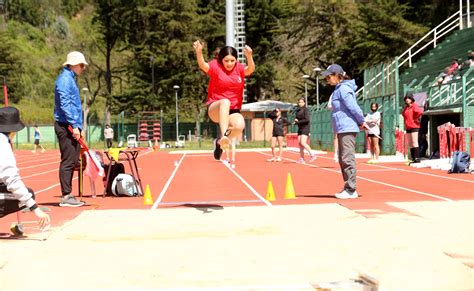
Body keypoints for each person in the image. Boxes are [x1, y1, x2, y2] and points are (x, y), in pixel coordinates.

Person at [193, 40, 255, 163]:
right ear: (221, 60)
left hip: (233, 110)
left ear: (236, 60)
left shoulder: (239, 68)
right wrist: (199, 52)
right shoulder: (216, 66)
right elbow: (203, 65)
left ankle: (220, 141)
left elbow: (250, 70)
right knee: (225, 102)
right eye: (226, 60)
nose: (229, 63)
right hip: (216, 107)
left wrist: (249, 56)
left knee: (239, 125)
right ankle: (224, 136)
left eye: (232, 60)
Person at [0, 107, 50, 231]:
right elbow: (12, 180)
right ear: (13, 130)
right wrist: (35, 209)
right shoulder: (2, 144)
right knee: (29, 194)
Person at [323, 64, 366, 199]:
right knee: (343, 159)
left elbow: (353, 107)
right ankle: (348, 187)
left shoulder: (343, 89)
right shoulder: (338, 89)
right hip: (342, 128)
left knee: (347, 158)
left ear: (337, 75)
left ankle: (351, 189)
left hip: (347, 127)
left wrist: (361, 120)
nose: (327, 80)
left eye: (328, 77)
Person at [54, 51, 88, 207]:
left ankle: (68, 195)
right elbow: (65, 104)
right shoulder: (65, 80)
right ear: (74, 64)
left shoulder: (70, 79)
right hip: (65, 124)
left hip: (71, 124)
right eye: (81, 65)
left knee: (73, 159)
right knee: (68, 160)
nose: (83, 68)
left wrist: (78, 126)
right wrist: (74, 125)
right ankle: (66, 196)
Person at [401, 93, 424, 164]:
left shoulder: (414, 106)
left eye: (409, 98)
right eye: (406, 99)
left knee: (414, 142)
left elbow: (420, 112)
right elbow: (403, 114)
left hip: (414, 126)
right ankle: (412, 158)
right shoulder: (406, 107)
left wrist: (415, 118)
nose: (407, 100)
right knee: (410, 143)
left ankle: (417, 158)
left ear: (411, 99)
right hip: (408, 126)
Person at [294, 97, 316, 164]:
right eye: (299, 102)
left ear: (304, 103)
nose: (300, 103)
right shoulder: (297, 110)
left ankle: (312, 155)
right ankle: (302, 159)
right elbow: (297, 119)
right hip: (300, 128)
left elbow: (307, 120)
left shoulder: (306, 110)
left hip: (305, 128)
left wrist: (298, 122)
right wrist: (295, 121)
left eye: (302, 102)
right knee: (300, 144)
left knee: (303, 142)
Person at [327, 93, 338, 162]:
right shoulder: (334, 93)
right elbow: (329, 106)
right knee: (336, 136)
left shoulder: (348, 91)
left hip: (346, 118)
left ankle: (344, 154)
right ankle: (336, 154)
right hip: (336, 117)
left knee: (345, 137)